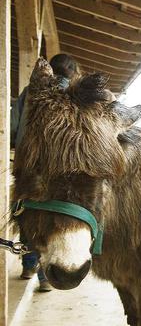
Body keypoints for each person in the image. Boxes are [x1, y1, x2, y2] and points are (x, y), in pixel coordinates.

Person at [12, 53, 80, 292]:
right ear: (73, 72)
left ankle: (28, 265)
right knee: (53, 219)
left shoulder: (27, 94)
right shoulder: (74, 94)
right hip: (62, 170)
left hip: (27, 166)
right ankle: (45, 276)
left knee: (27, 214)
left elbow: (11, 127)